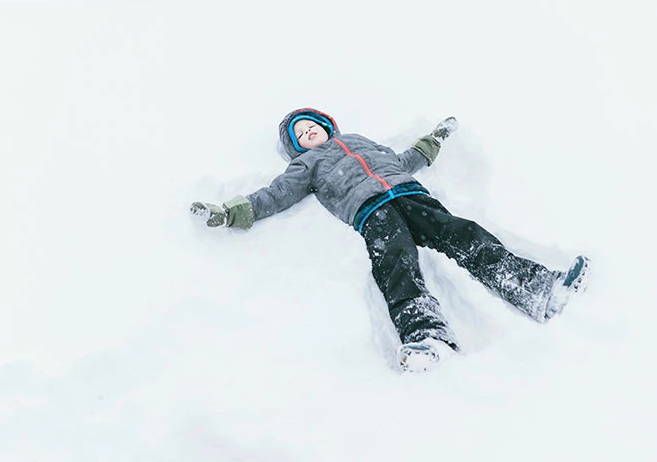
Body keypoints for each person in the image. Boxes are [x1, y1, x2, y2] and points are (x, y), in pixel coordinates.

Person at [191, 107, 591, 372]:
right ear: (297, 147)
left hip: (410, 193)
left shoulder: (362, 141)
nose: (308, 131)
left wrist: (433, 139)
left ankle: (538, 287)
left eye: (312, 124)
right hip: (370, 210)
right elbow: (275, 194)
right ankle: (426, 334)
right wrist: (232, 212)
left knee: (463, 233)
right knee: (395, 261)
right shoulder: (306, 164)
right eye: (301, 133)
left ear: (328, 126)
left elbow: (403, 160)